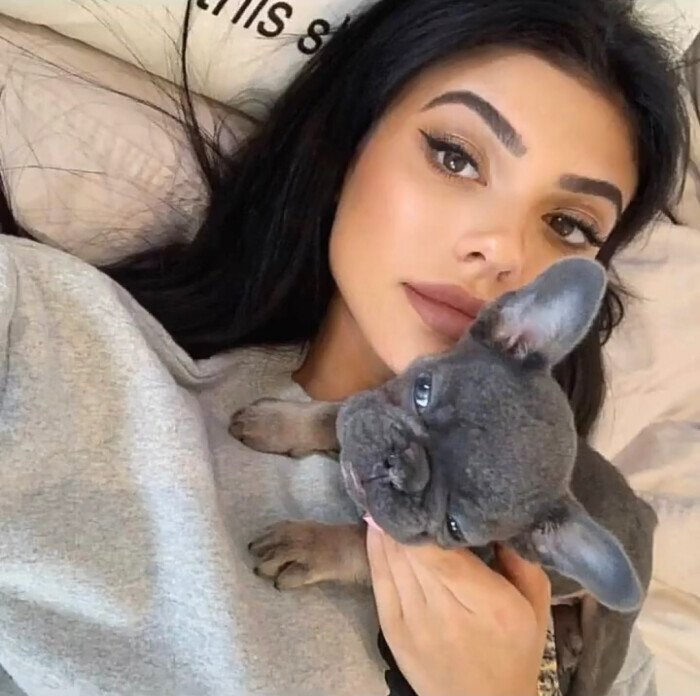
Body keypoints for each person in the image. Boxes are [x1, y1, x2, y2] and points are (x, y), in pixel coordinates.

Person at [0, 0, 688, 695]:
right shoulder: (46, 332)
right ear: (350, 139)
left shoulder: (579, 542)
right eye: (454, 156)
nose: (502, 249)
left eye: (568, 225)